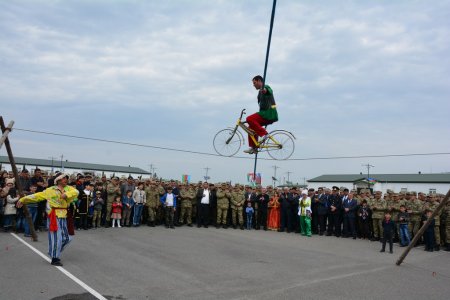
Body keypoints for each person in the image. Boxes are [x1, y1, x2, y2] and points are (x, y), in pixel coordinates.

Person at [17, 173, 79, 266]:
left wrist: (66, 194)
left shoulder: (68, 188)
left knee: (67, 238)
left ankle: (53, 250)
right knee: (56, 238)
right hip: (53, 215)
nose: (66, 180)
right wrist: (23, 199)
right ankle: (55, 258)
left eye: (66, 178)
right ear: (58, 180)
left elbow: (76, 192)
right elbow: (37, 196)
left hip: (64, 215)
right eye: (63, 178)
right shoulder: (50, 190)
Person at [244, 75, 278, 154]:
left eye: (254, 83)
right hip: (265, 114)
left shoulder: (266, 87)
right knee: (251, 128)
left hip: (269, 113)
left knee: (249, 119)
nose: (253, 85)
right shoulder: (259, 93)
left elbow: (268, 91)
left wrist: (264, 90)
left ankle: (264, 134)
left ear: (259, 81)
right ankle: (254, 147)